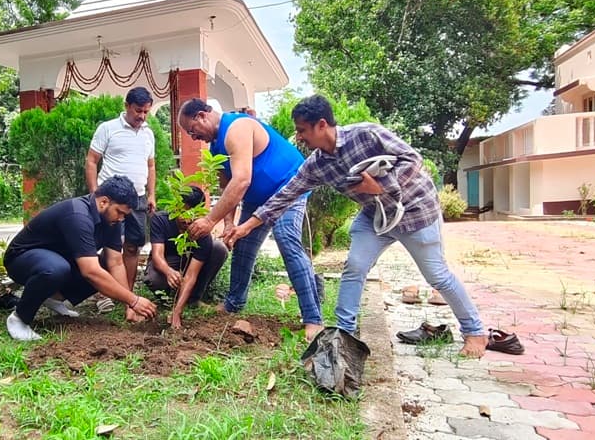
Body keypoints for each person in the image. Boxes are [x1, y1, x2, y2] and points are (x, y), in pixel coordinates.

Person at [224, 95, 488, 357]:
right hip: (376, 216)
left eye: (303, 130)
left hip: (415, 210)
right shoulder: (316, 165)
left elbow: (413, 159)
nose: (299, 137)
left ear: (322, 124)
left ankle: (475, 331)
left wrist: (382, 185)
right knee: (355, 266)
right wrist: (247, 226)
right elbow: (286, 194)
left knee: (437, 275)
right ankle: (343, 334)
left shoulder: (366, 135)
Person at [178, 98, 324, 340]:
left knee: (286, 240)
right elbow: (227, 188)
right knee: (242, 245)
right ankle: (234, 303)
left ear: (202, 116)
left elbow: (241, 180)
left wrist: (209, 221)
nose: (194, 138)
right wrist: (228, 224)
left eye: (193, 131)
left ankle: (313, 319)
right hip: (257, 200)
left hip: (288, 187)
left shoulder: (237, 128)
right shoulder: (216, 147)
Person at [2, 176, 158, 340]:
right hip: (21, 259)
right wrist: (134, 300)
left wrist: (130, 306)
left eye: (124, 215)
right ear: (104, 202)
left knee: (102, 264)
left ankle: (52, 296)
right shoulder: (78, 215)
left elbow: (116, 262)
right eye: (119, 212)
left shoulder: (113, 222)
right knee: (62, 268)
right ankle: (20, 318)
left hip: (58, 261)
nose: (121, 218)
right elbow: (90, 271)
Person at [85, 86, 157, 313]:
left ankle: (128, 294)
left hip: (137, 199)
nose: (142, 116)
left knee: (133, 246)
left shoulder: (148, 133)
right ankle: (102, 294)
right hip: (112, 199)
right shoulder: (108, 128)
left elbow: (151, 164)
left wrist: (152, 193)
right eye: (138, 110)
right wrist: (96, 193)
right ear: (126, 106)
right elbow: (91, 161)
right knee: (109, 247)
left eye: (146, 111)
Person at [143, 186, 229, 329]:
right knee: (154, 279)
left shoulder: (202, 232)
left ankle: (193, 298)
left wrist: (177, 311)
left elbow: (191, 275)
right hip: (167, 261)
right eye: (183, 211)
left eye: (191, 213)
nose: (186, 218)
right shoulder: (161, 219)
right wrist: (169, 272)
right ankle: (167, 297)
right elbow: (157, 256)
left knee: (219, 248)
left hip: (190, 262)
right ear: (177, 206)